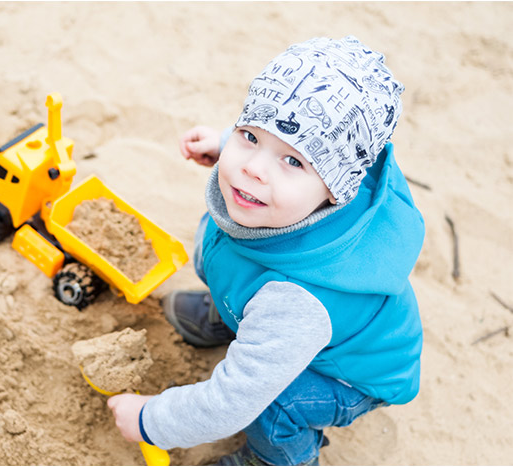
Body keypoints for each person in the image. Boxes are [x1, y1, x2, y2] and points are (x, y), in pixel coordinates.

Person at [107, 36, 425, 466]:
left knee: (274, 406)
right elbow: (284, 136)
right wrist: (226, 143)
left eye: (293, 162)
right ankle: (232, 317)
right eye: (250, 136)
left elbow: (229, 402)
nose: (252, 167)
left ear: (337, 190)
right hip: (277, 309)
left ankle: (279, 459)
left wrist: (149, 419)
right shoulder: (287, 191)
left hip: (348, 373)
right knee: (217, 250)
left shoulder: (295, 304)